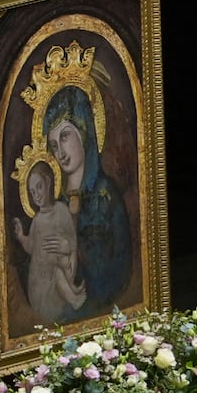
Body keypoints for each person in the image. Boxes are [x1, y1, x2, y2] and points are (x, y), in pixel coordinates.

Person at [42, 84, 132, 319]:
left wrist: (74, 249)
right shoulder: (55, 203)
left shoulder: (106, 195)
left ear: (84, 132)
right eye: (53, 145)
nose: (60, 152)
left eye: (64, 136)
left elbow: (118, 267)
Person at [11, 159, 87, 323]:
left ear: (49, 182)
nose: (36, 194)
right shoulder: (37, 220)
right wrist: (21, 237)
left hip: (58, 278)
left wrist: (66, 246)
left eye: (39, 187)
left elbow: (73, 242)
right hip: (39, 283)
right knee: (56, 270)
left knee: (60, 268)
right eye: (32, 192)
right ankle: (73, 295)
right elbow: (31, 247)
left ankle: (72, 292)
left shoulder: (61, 211)